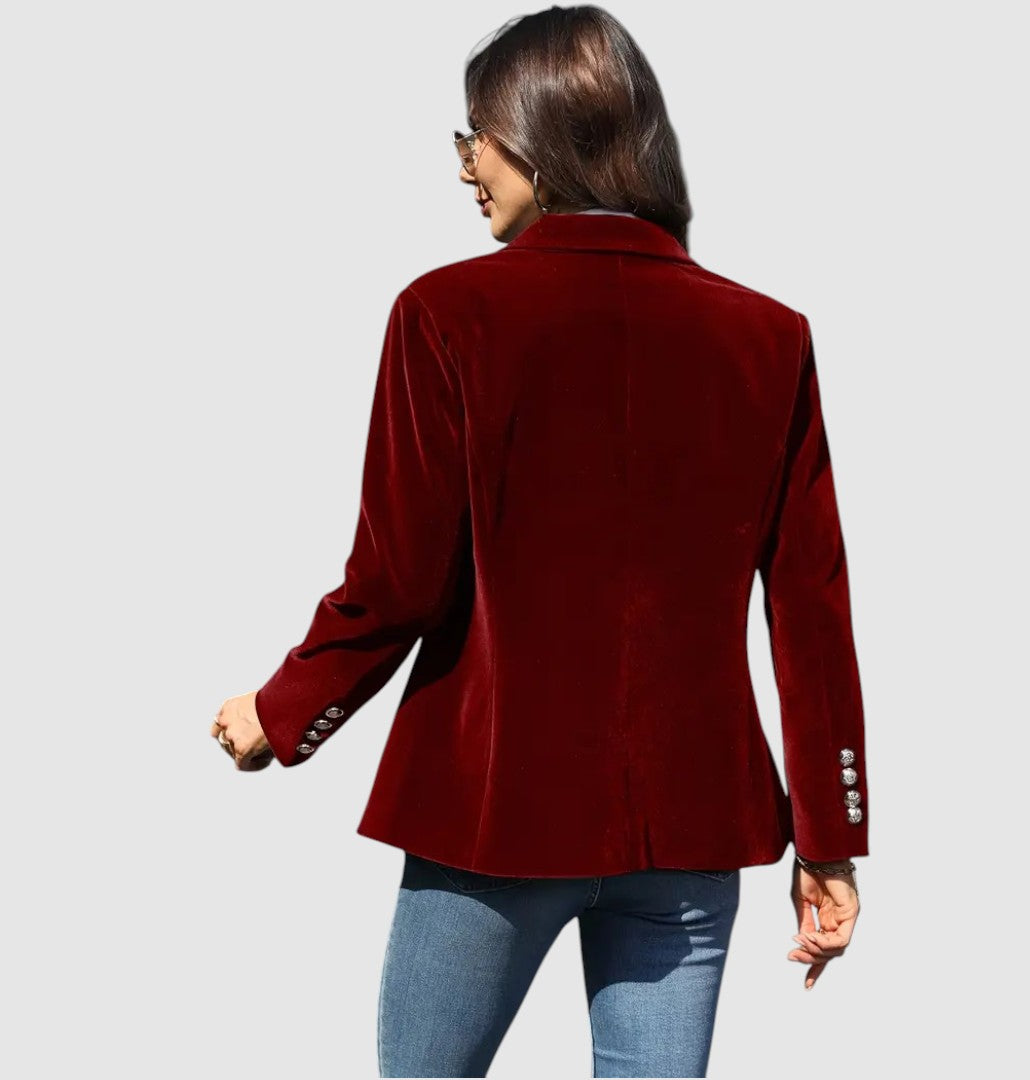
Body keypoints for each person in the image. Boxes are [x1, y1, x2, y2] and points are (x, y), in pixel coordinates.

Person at [211, 5, 868, 1076]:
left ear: (540, 133)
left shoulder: (447, 313)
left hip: (494, 817)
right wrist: (831, 836)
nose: (463, 164)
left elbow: (399, 580)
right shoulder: (767, 336)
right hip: (692, 832)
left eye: (476, 134)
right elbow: (811, 608)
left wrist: (283, 712)